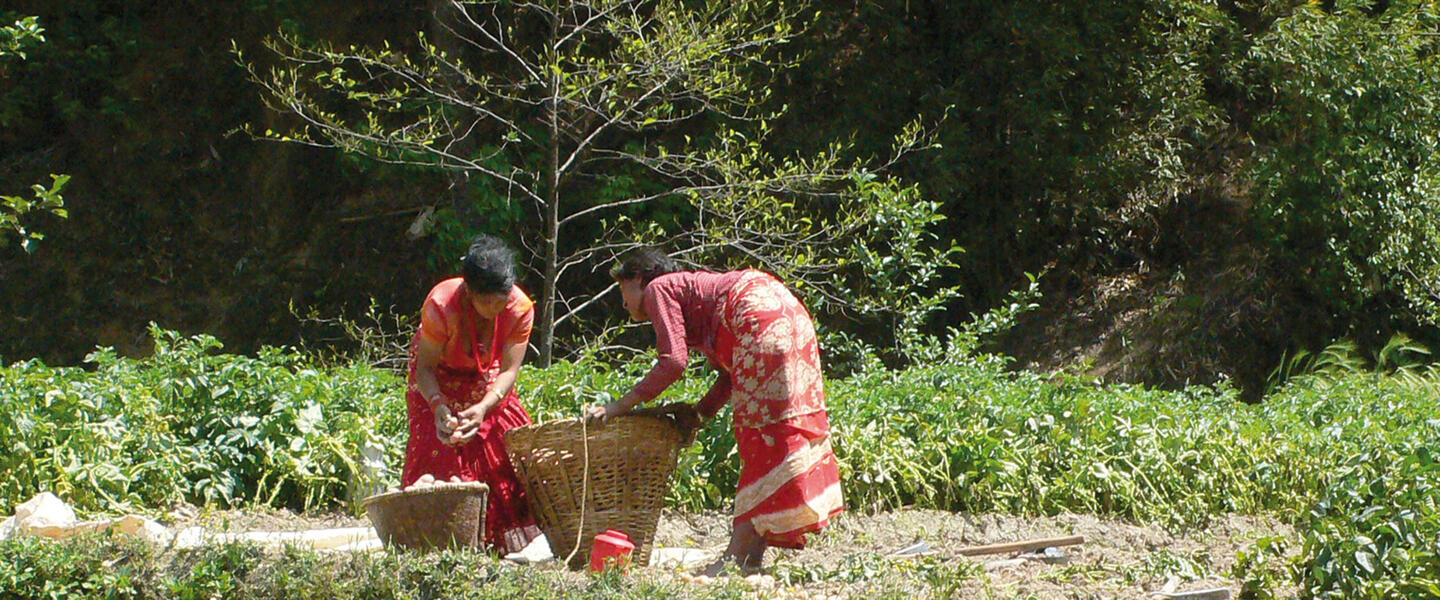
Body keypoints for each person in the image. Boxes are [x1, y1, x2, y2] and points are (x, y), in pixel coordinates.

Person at [585, 248, 843, 575]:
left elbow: (673, 361)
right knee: (776, 432)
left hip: (757, 318)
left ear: (638, 278)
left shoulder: (658, 289)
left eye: (622, 287)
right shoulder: (695, 298)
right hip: (788, 314)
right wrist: (700, 413)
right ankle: (750, 555)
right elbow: (730, 376)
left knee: (759, 437)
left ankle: (738, 557)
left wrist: (617, 406)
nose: (622, 300)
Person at [403, 234, 542, 554]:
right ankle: (440, 541)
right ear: (469, 292)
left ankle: (493, 537)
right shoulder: (441, 305)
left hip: (487, 377)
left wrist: (483, 408)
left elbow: (508, 371)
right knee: (439, 448)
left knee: (504, 443)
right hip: (438, 376)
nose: (496, 309)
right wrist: (438, 406)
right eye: (487, 302)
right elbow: (424, 369)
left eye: (501, 300)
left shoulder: (519, 308)